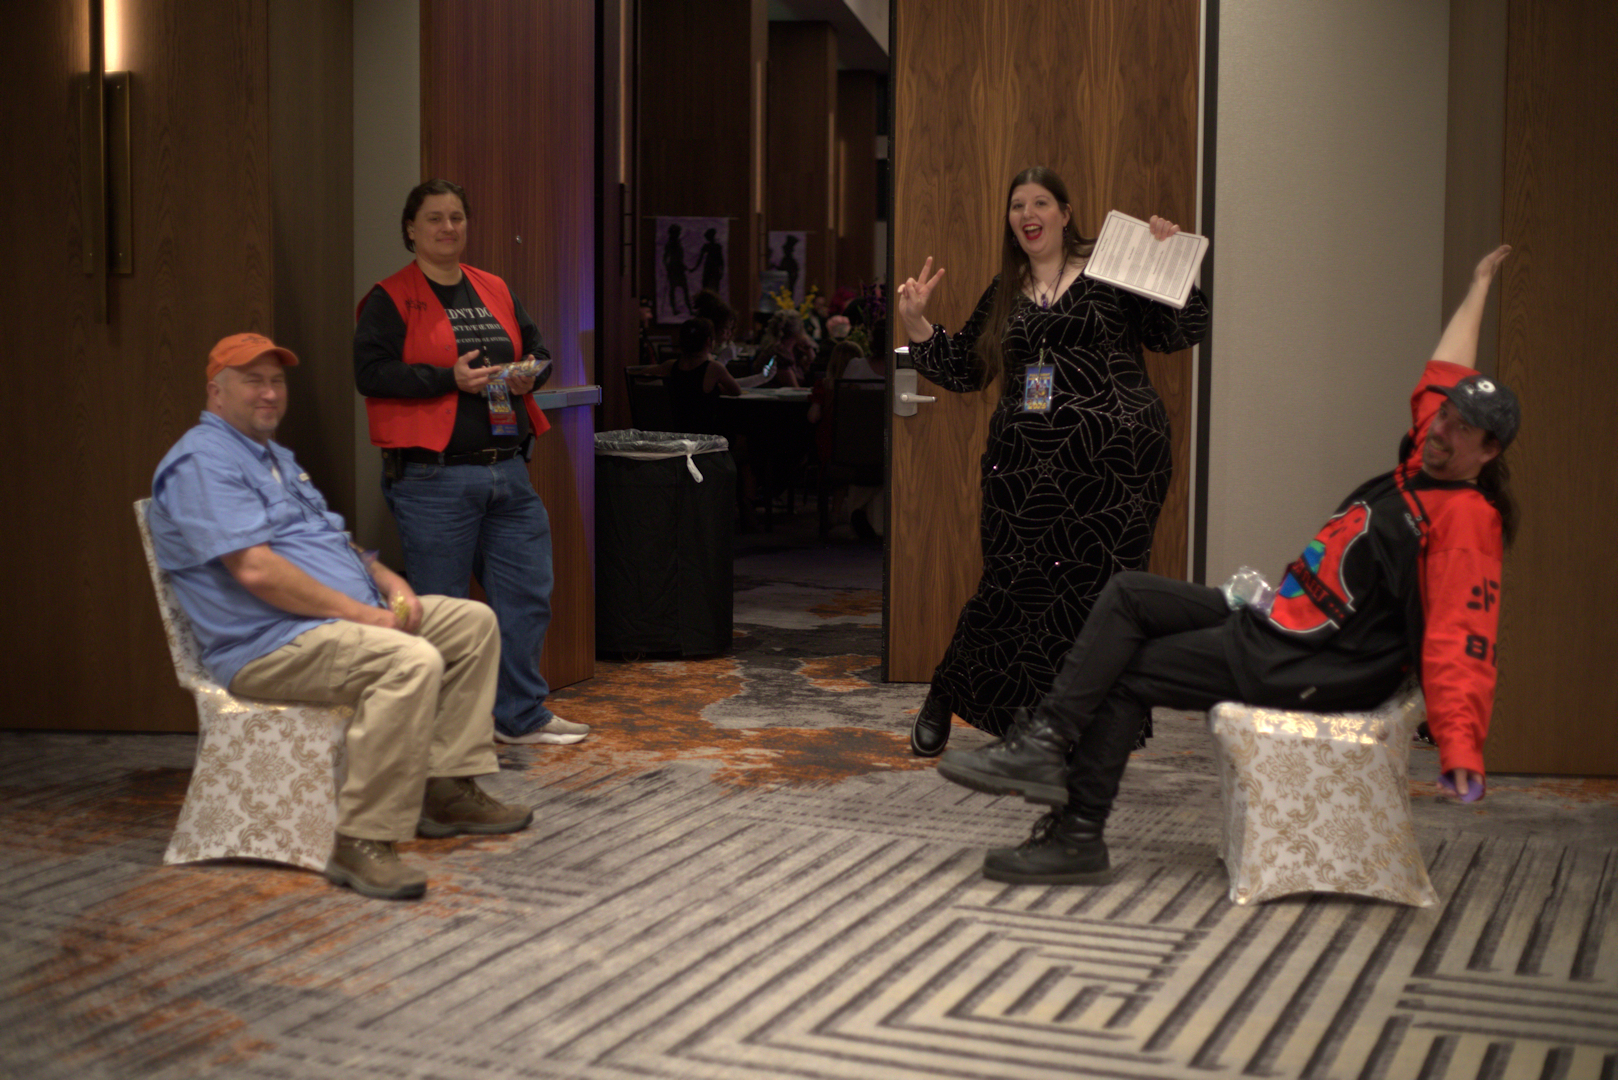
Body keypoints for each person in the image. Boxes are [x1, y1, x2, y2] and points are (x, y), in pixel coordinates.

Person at [936, 245, 1519, 885]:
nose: (1441, 430)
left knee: (1126, 672)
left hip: (1316, 661)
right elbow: (1444, 371)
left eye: (1460, 429)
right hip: (1284, 617)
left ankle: (1076, 834)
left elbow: (1462, 638)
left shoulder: (1465, 522)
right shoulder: (1426, 463)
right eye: (1444, 416)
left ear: (1488, 451)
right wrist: (1478, 284)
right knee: (1128, 594)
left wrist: (1462, 747)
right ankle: (1045, 743)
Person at [150, 334, 533, 900]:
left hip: (331, 624)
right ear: (216, 392)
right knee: (410, 660)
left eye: (276, 381)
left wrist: (387, 579)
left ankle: (444, 789)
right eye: (253, 381)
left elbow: (328, 541)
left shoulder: (270, 456)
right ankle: (362, 839)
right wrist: (361, 615)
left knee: (471, 623)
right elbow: (256, 570)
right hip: (268, 644)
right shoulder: (202, 462)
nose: (269, 393)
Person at [896, 166, 1210, 757]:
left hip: (1118, 466)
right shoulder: (1005, 289)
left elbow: (1178, 332)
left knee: (1103, 597)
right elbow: (965, 369)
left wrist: (1169, 261)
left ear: (1065, 214)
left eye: (1040, 202)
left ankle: (1076, 727)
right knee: (1009, 587)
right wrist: (917, 323)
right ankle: (945, 692)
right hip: (1022, 467)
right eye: (1018, 205)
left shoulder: (1114, 270)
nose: (1028, 214)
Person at [354, 179, 589, 747]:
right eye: (435, 218)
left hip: (507, 468)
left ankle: (519, 716)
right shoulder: (389, 297)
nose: (448, 228)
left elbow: (538, 350)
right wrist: (447, 378)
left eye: (456, 217)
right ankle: (447, 732)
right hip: (432, 477)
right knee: (444, 610)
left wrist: (532, 373)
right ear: (411, 229)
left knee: (527, 594)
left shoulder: (494, 287)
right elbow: (372, 373)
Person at [626, 317, 774, 434]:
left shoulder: (670, 366)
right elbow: (736, 391)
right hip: (705, 436)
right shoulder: (714, 368)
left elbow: (638, 375)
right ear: (709, 342)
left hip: (675, 431)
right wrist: (715, 389)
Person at [808, 340, 886, 539]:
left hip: (834, 448)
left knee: (845, 461)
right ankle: (865, 517)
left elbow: (812, 417)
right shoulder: (871, 391)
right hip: (869, 448)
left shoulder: (825, 386)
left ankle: (841, 514)